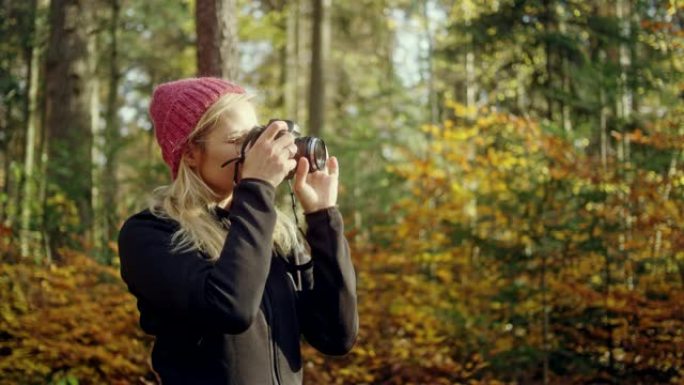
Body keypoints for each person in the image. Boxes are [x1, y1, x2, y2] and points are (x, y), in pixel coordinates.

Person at [117, 77, 358, 385]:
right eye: (236, 140)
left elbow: (336, 335)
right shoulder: (151, 233)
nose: (255, 150)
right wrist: (257, 190)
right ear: (190, 153)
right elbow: (231, 308)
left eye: (255, 137)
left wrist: (323, 219)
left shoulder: (274, 232)